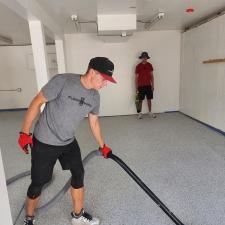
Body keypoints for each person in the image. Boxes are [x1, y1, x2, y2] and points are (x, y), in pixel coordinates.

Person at [18, 57, 116, 225]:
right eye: (104, 79)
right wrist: (24, 133)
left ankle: (77, 216)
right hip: (45, 142)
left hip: (68, 141)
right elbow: (37, 102)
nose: (105, 84)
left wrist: (103, 146)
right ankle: (29, 218)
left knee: (79, 174)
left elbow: (94, 122)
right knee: (39, 182)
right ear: (92, 72)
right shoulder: (63, 81)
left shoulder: (95, 97)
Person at [135, 51, 156, 119]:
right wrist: (136, 87)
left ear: (147, 58)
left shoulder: (150, 65)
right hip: (140, 86)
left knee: (149, 99)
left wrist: (153, 85)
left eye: (146, 57)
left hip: (148, 85)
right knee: (140, 100)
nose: (144, 58)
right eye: (143, 57)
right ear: (141, 58)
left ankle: (150, 112)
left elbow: (152, 76)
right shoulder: (138, 66)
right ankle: (140, 113)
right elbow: (136, 77)